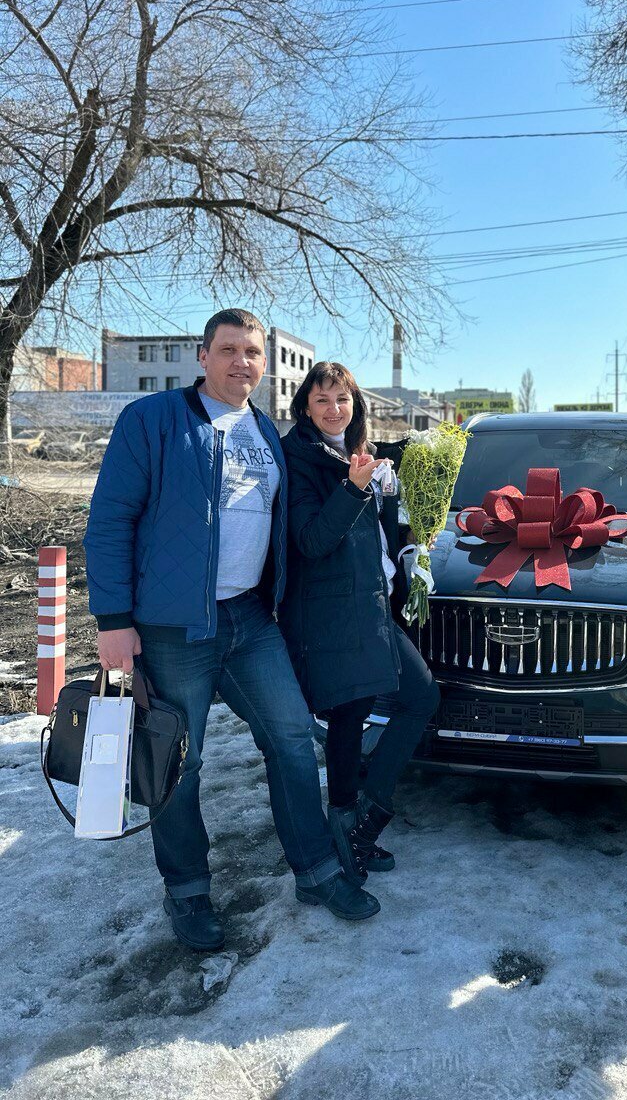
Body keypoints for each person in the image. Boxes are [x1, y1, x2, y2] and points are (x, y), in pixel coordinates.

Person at [84, 309, 379, 951]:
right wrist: (113, 621)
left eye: (252, 352)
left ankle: (317, 871)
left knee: (292, 737)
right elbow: (109, 520)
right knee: (178, 761)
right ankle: (187, 891)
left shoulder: (265, 430)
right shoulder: (152, 419)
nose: (241, 362)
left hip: (249, 617)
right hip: (172, 626)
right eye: (228, 350)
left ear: (264, 364)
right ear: (202, 356)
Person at [279, 360, 440, 888]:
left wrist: (407, 533)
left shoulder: (361, 452)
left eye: (342, 399)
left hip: (372, 606)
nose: (334, 409)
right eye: (322, 400)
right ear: (306, 407)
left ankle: (364, 816)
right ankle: (346, 826)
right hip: (332, 610)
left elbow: (377, 534)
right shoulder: (299, 457)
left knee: (421, 696)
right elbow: (311, 540)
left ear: (356, 405)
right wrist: (353, 488)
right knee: (351, 713)